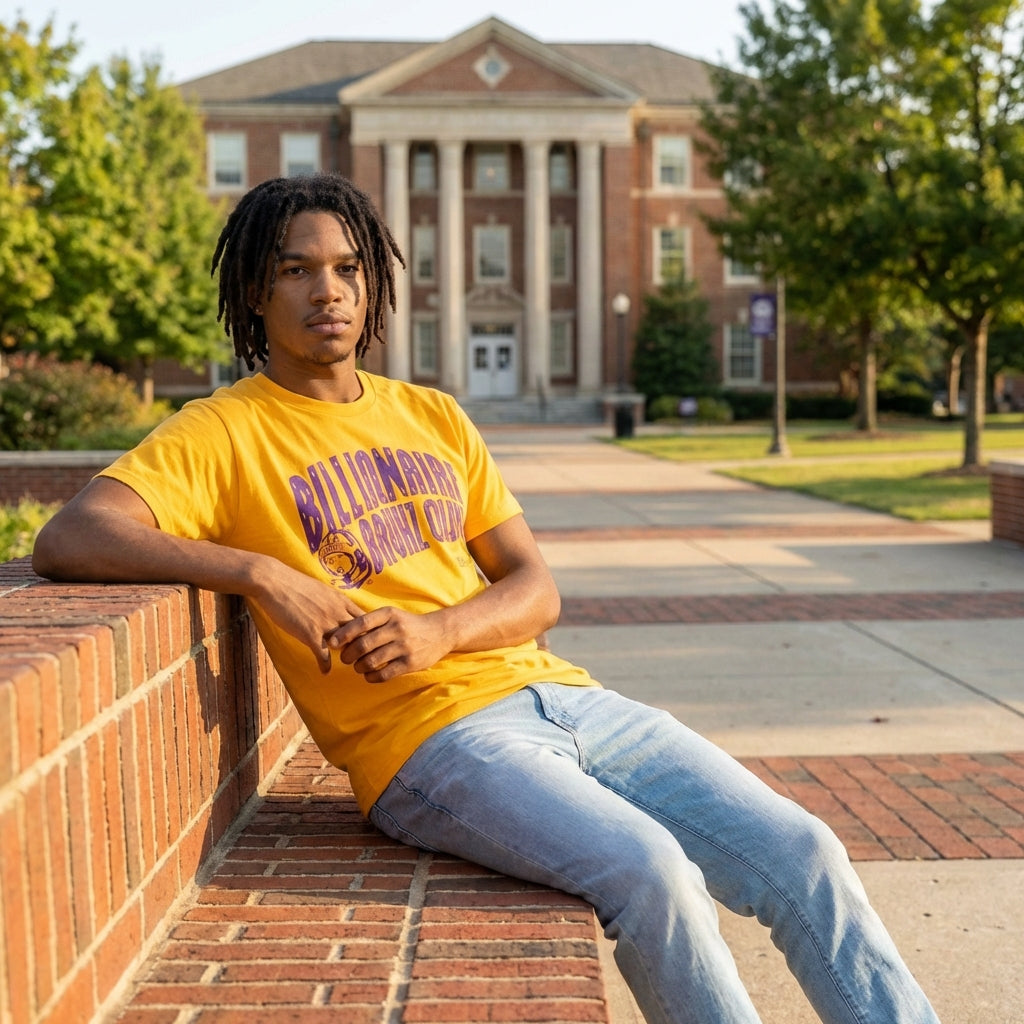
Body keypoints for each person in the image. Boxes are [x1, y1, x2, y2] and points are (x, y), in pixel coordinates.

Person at [32, 173, 940, 1024]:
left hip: (571, 700)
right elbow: (70, 537)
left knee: (806, 850)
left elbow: (536, 588)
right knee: (652, 872)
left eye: (348, 268)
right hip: (432, 744)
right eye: (296, 271)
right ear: (256, 295)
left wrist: (436, 630)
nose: (329, 292)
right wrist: (264, 573)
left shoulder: (432, 415)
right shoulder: (223, 429)